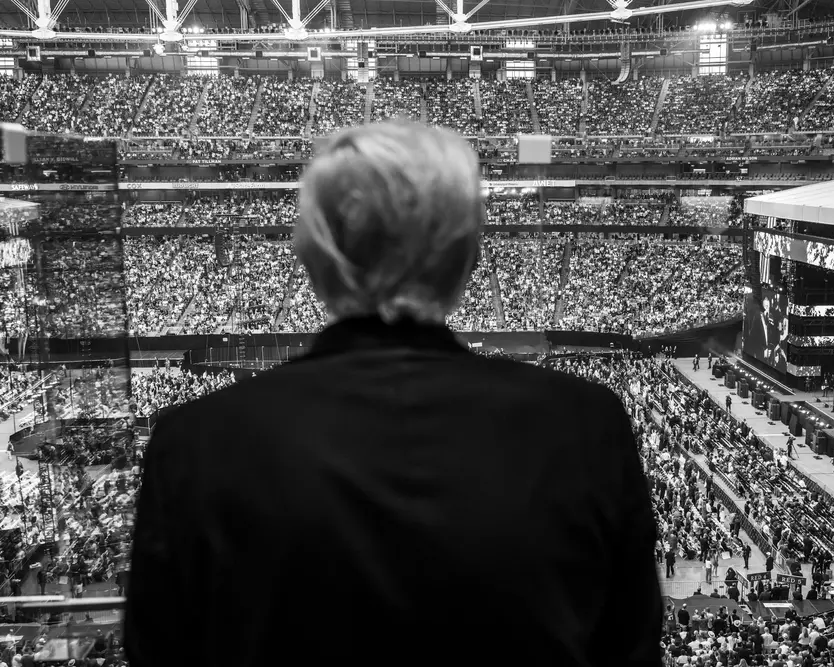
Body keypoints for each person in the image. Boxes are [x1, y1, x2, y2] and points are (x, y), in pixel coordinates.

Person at [125, 122, 663, 667]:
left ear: (310, 257)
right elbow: (629, 647)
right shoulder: (583, 426)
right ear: (468, 257)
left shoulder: (196, 441)